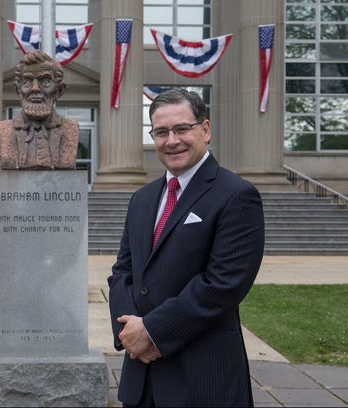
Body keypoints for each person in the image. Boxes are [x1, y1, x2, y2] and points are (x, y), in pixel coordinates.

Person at [108, 88, 265, 407]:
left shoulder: (236, 195)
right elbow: (123, 272)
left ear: (205, 130)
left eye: (182, 128)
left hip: (202, 379)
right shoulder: (142, 199)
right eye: (161, 132)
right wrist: (130, 335)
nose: (172, 140)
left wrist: (151, 331)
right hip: (141, 379)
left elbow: (223, 285)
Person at [0, 50, 78, 170]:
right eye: (27, 81)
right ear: (18, 91)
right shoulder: (5, 129)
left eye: (45, 81)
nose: (35, 88)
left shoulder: (70, 129)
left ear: (58, 90)